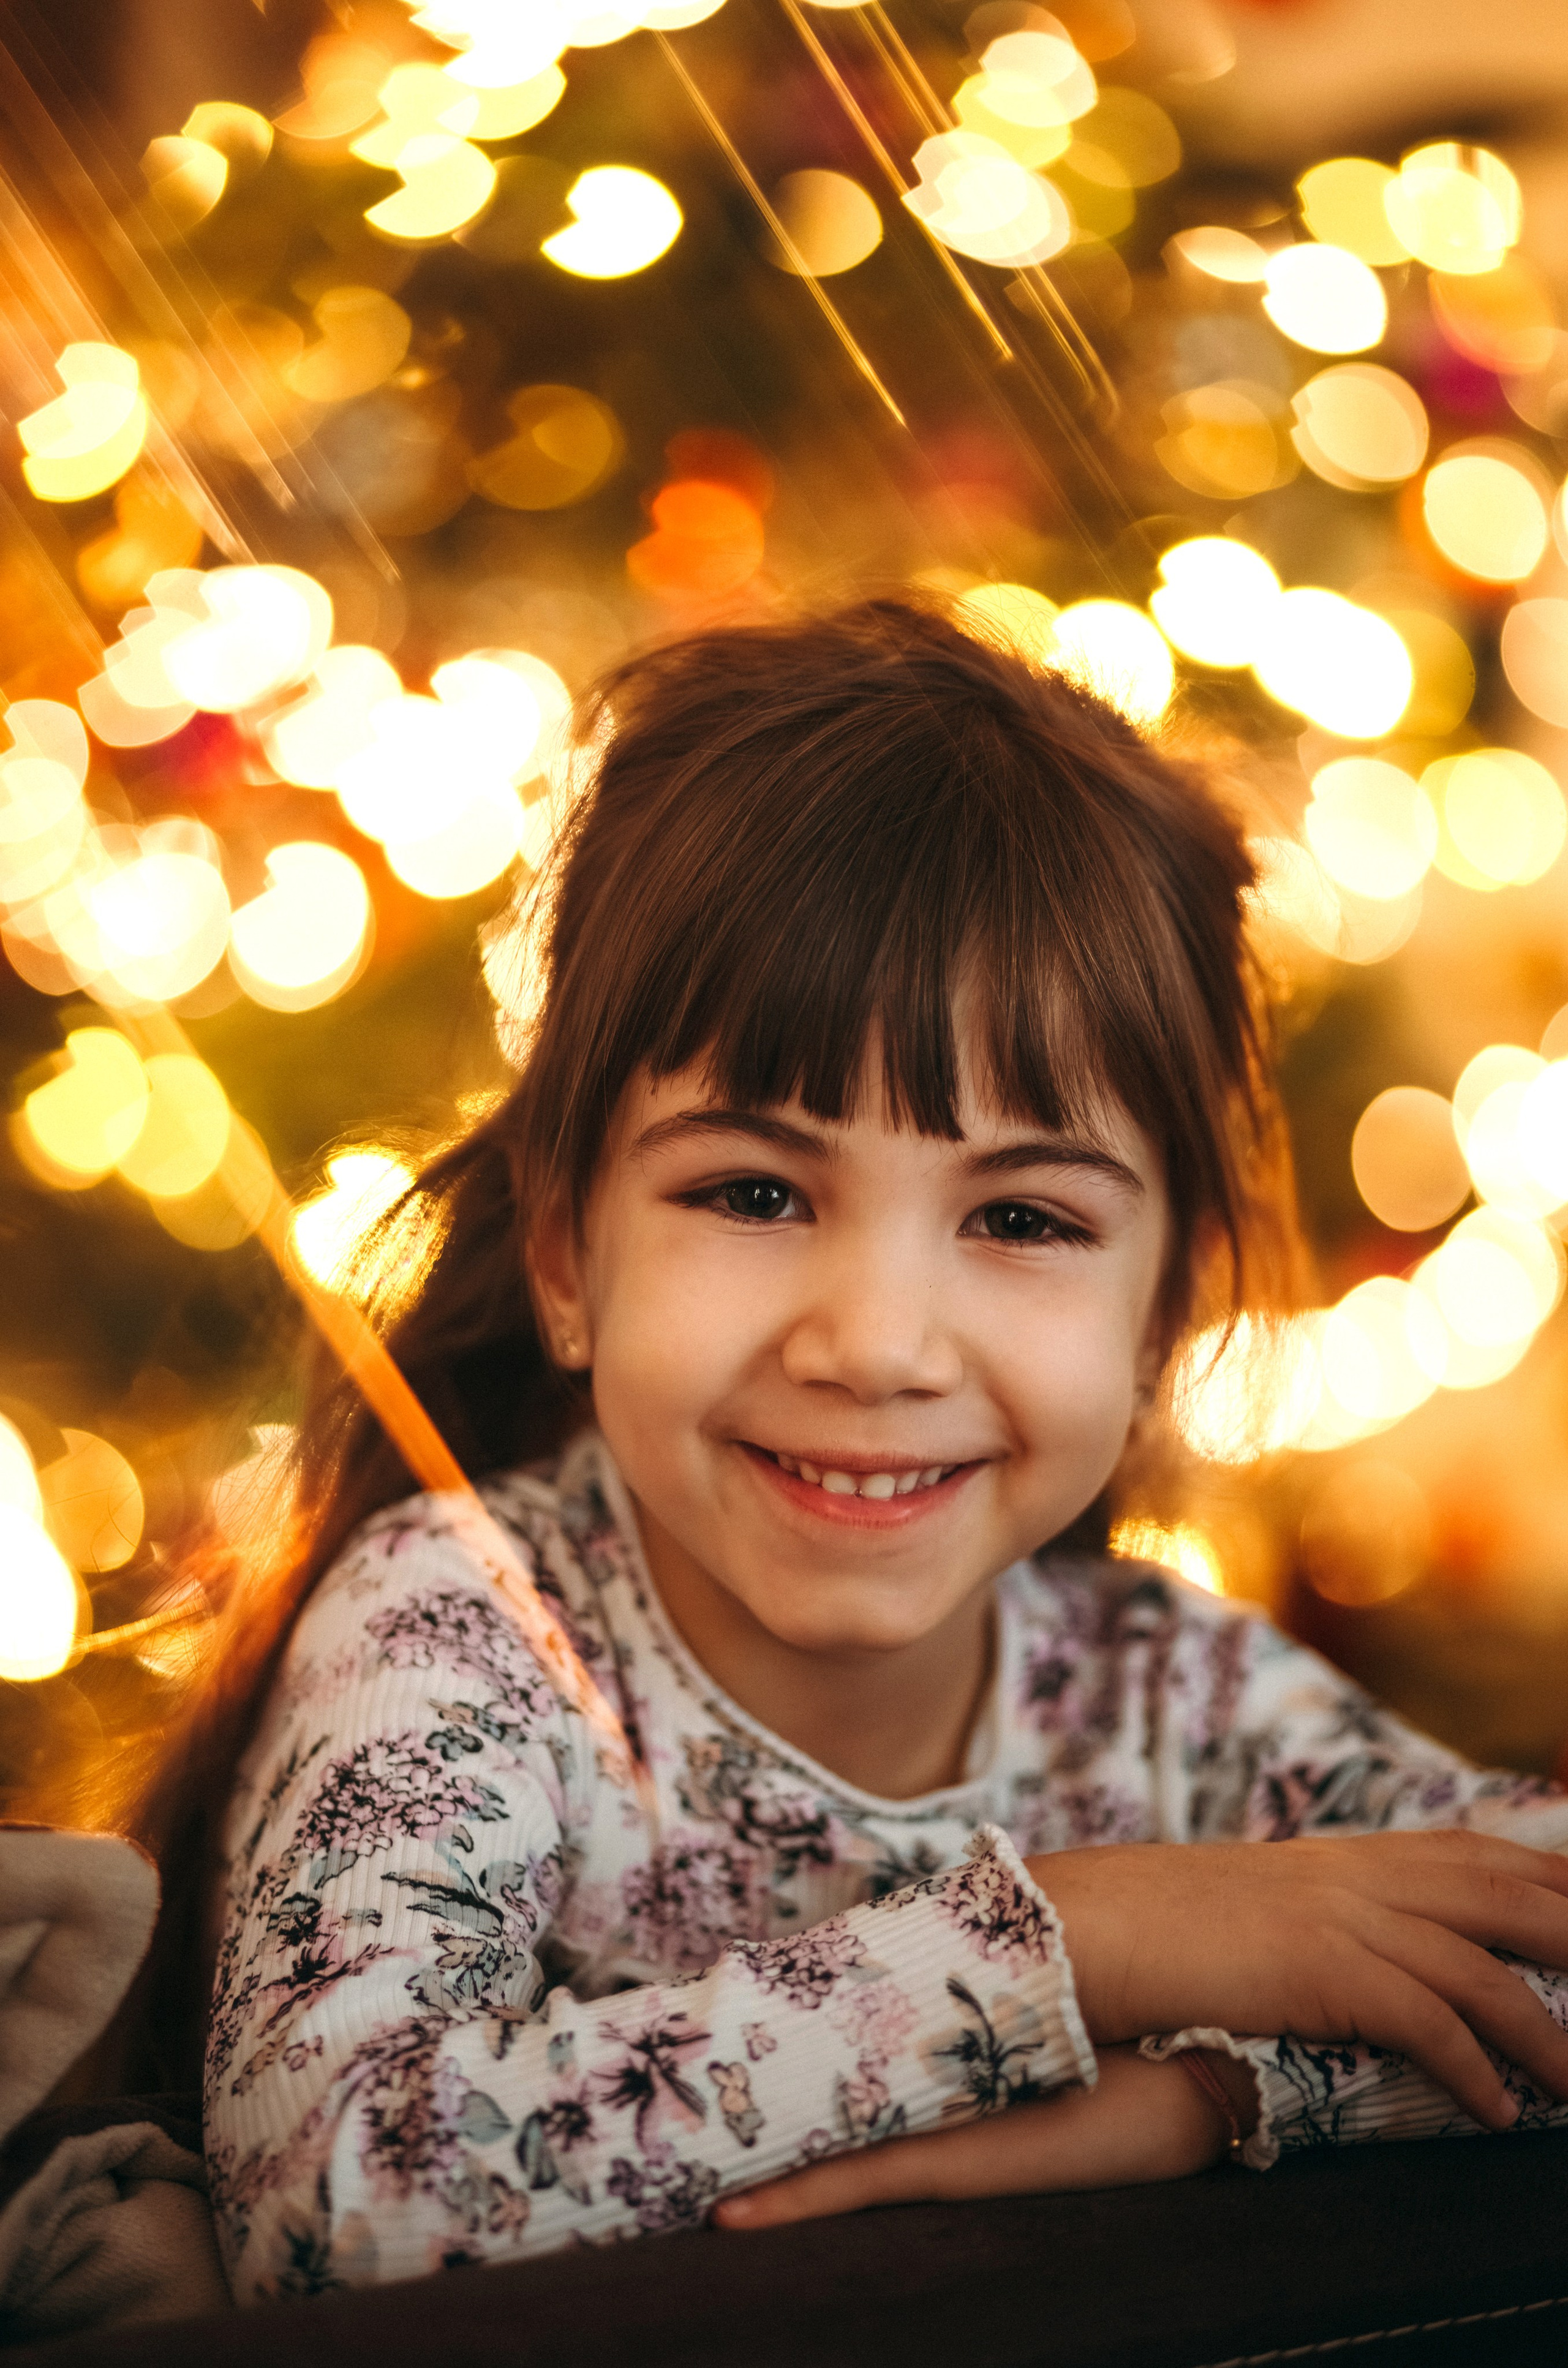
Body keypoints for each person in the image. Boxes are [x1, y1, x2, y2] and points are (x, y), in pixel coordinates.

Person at [192, 598, 1568, 2302]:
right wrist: (1085, 1939)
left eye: (1021, 1214)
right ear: (567, 1253)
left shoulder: (1168, 1695)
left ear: (1163, 1318)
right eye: (754, 1191)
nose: (877, 1342)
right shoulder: (462, 1635)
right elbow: (327, 2203)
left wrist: (1204, 2097)